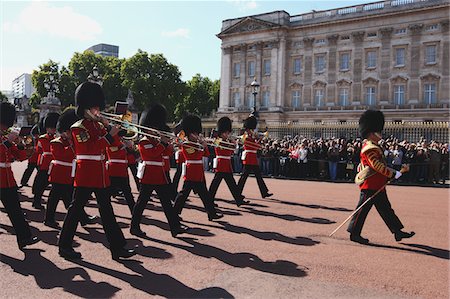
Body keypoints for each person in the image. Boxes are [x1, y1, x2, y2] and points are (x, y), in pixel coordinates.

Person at [58, 81, 135, 260]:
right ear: (84, 108)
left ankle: (118, 248)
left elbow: (114, 145)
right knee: (75, 211)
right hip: (86, 174)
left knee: (107, 213)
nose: (97, 111)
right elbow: (90, 149)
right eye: (94, 108)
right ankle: (64, 246)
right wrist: (109, 134)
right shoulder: (78, 127)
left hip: (100, 175)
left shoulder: (98, 126)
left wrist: (109, 128)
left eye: (98, 107)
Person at [347, 110, 415, 244]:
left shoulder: (374, 146)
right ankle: (354, 233)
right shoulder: (370, 148)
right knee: (362, 209)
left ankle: (397, 231)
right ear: (372, 133)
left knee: (386, 209)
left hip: (377, 183)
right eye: (379, 131)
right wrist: (393, 173)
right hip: (370, 184)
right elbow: (376, 165)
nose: (381, 134)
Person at [130, 103, 187, 238]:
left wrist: (168, 143)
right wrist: (162, 143)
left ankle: (175, 227)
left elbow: (166, 153)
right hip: (149, 176)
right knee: (141, 204)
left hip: (160, 176)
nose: (155, 130)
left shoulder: (156, 140)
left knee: (167, 204)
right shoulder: (144, 141)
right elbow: (152, 154)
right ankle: (134, 227)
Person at [44, 108, 96, 229]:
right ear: (63, 131)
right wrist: (72, 145)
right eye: (67, 131)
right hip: (58, 174)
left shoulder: (70, 141)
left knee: (71, 199)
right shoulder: (56, 142)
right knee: (54, 199)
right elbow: (60, 155)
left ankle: (82, 218)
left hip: (68, 174)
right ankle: (49, 219)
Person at [0, 102, 40, 250]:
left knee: (15, 209)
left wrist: (23, 143)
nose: (4, 127)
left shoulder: (6, 137)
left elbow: (21, 156)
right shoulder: (5, 138)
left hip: (7, 180)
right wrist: (8, 141)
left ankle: (24, 237)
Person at [173, 114, 223, 221]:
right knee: (183, 194)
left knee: (205, 195)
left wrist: (204, 145)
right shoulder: (186, 144)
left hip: (198, 172)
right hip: (191, 171)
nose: (196, 135)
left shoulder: (196, 143)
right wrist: (202, 145)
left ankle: (211, 213)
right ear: (189, 134)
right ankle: (174, 213)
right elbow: (195, 155)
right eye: (194, 133)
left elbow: (206, 155)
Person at [208, 117, 248, 206]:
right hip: (221, 163)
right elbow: (218, 147)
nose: (227, 134)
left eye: (228, 132)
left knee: (231, 184)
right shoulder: (217, 141)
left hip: (227, 164)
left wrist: (234, 143)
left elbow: (233, 151)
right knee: (215, 184)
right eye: (225, 133)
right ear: (221, 132)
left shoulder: (228, 141)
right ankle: (209, 200)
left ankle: (238, 200)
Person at [237, 114, 273, 199]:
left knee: (258, 176)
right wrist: (257, 139)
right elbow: (248, 145)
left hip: (253, 157)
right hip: (249, 157)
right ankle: (237, 192)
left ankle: (264, 192)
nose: (252, 130)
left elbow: (256, 146)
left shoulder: (252, 135)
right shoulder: (245, 136)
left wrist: (259, 139)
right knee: (244, 176)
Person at [32, 112, 60, 209]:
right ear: (47, 128)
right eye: (51, 127)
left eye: (54, 127)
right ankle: (36, 201)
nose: (53, 129)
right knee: (41, 185)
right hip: (45, 164)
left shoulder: (57, 138)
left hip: (54, 164)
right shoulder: (43, 138)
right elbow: (39, 150)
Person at [106, 136, 136, 214]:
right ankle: (107, 213)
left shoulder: (121, 140)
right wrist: (123, 146)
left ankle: (134, 212)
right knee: (107, 194)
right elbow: (112, 149)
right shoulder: (111, 139)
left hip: (122, 170)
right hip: (113, 170)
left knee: (128, 192)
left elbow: (130, 153)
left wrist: (129, 147)